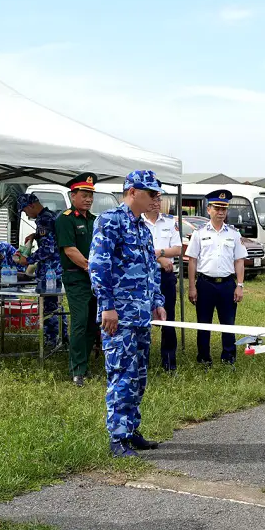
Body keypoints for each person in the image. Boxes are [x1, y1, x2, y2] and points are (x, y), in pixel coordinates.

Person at [89, 170, 168, 457]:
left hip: (141, 316)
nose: (155, 199)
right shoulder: (110, 222)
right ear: (132, 192)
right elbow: (98, 266)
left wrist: (158, 301)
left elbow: (151, 270)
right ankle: (117, 438)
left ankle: (132, 430)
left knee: (138, 376)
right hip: (118, 317)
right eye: (151, 193)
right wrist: (107, 306)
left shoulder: (143, 229)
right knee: (121, 375)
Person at [185, 189, 247, 367]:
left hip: (227, 284)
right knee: (203, 323)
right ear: (209, 210)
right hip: (205, 284)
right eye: (217, 208)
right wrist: (192, 287)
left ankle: (228, 358)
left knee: (228, 323)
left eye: (224, 209)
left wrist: (240, 285)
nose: (221, 212)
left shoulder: (233, 234)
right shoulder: (199, 233)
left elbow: (239, 261)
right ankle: (204, 358)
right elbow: (192, 261)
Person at [55, 173, 100, 386]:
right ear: (73, 195)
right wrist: (91, 268)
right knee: (80, 322)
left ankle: (85, 365)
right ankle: (77, 370)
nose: (89, 199)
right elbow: (70, 250)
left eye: (91, 195)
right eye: (84, 195)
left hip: (94, 279)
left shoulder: (93, 220)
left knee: (93, 322)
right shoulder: (65, 219)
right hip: (77, 277)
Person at [142, 190, 183, 371]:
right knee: (143, 318)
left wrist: (159, 253)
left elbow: (178, 249)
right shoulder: (137, 222)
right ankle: (143, 361)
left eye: (160, 199)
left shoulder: (169, 221)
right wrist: (159, 258)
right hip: (142, 277)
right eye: (154, 198)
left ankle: (169, 362)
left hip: (165, 277)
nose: (157, 202)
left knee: (168, 318)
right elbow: (138, 251)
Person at [18, 192, 62, 348]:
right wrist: (35, 235)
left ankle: (51, 340)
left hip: (50, 270)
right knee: (57, 305)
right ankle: (63, 338)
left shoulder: (44, 220)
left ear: (31, 205)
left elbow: (48, 249)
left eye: (25, 211)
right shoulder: (50, 216)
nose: (26, 215)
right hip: (56, 268)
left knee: (49, 306)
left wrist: (28, 260)